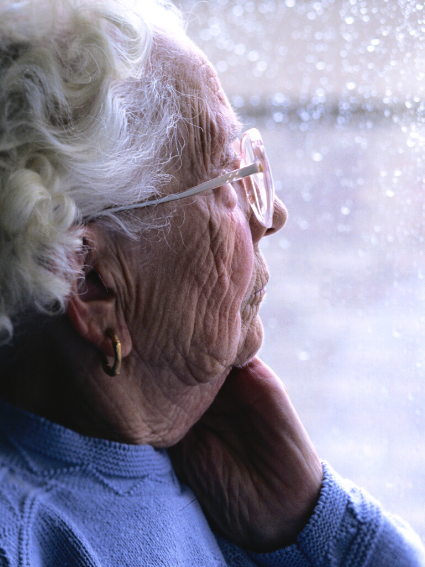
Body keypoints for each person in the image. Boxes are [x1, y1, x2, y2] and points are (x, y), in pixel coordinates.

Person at [0, 0, 423, 565]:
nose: (273, 216)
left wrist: (309, 522)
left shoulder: (224, 483)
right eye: (229, 177)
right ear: (96, 284)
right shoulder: (24, 542)